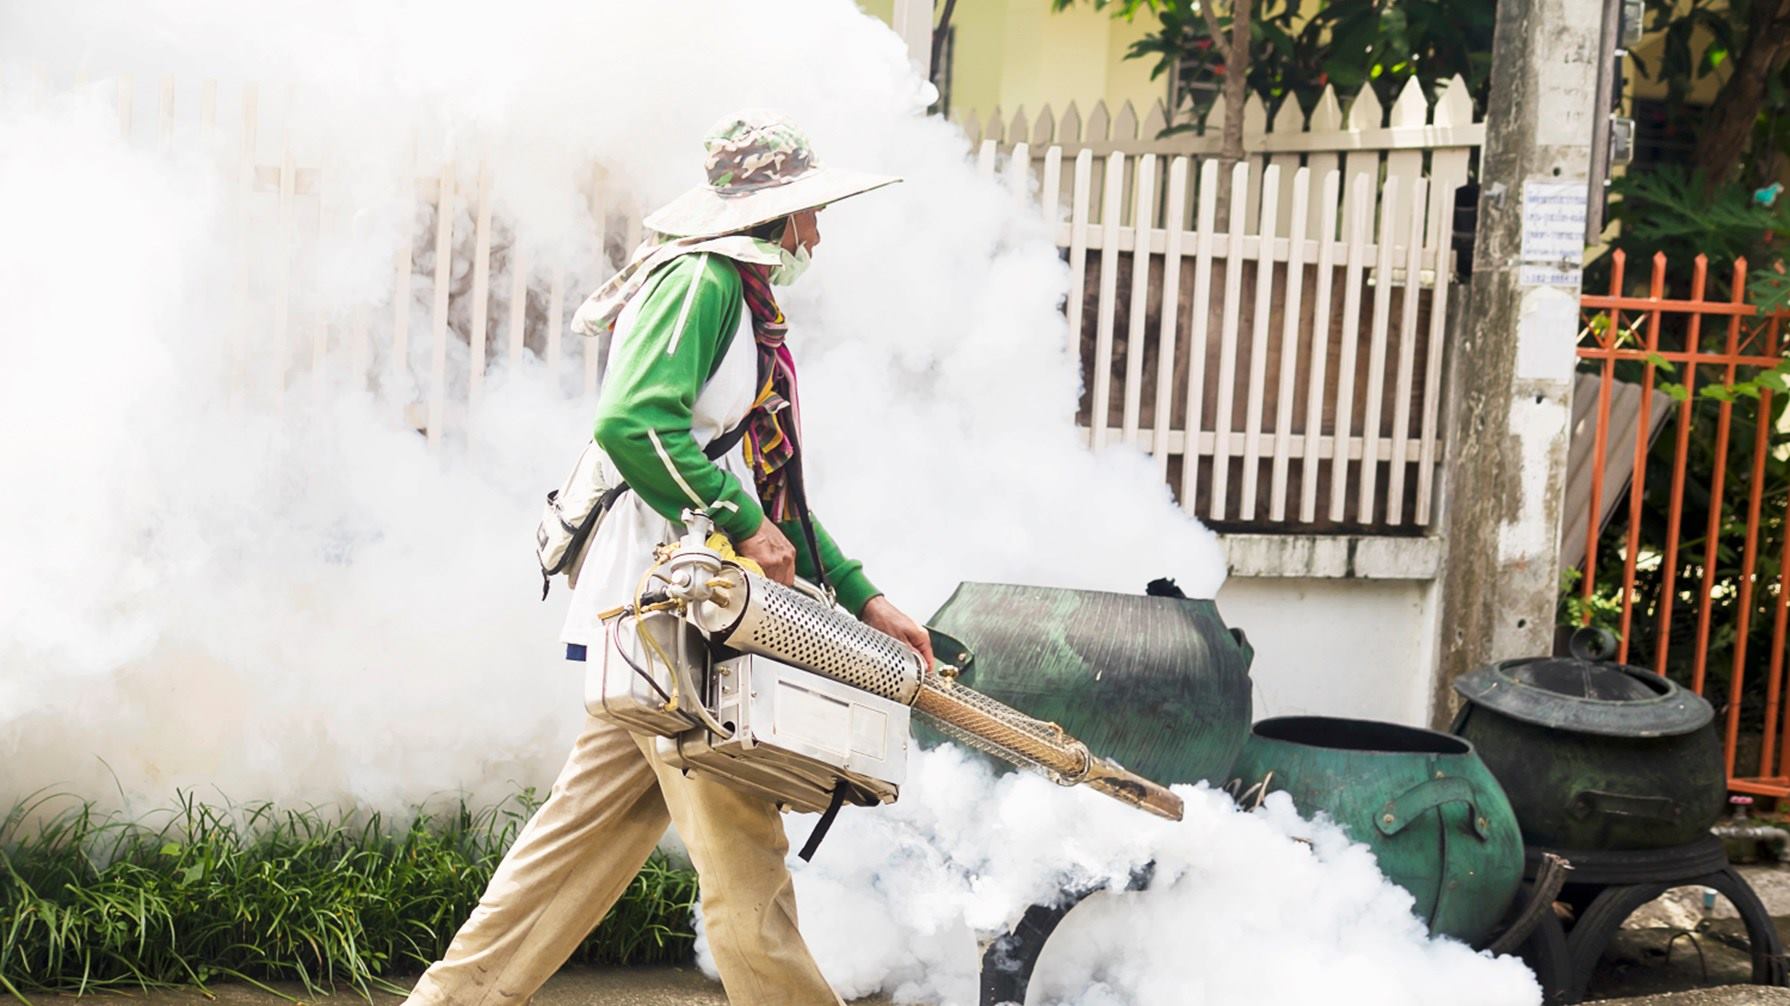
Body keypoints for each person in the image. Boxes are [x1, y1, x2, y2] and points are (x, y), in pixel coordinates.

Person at [401, 110, 933, 1006]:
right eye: (812, 213)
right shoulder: (703, 282)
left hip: (668, 615)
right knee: (747, 861)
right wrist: (741, 523)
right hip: (678, 613)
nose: (818, 233)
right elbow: (633, 421)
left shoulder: (736, 296)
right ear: (779, 217)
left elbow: (770, 488)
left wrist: (861, 594)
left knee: (575, 847)